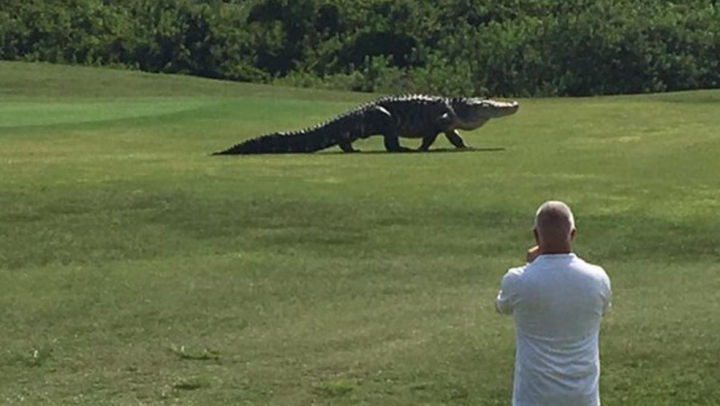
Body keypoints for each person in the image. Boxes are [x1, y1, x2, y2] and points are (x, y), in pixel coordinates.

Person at [495, 201, 612, 406]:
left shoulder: (517, 280)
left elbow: (501, 306)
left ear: (536, 235)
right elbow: (603, 309)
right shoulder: (597, 278)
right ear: (572, 234)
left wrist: (530, 264)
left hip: (533, 397)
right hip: (582, 397)